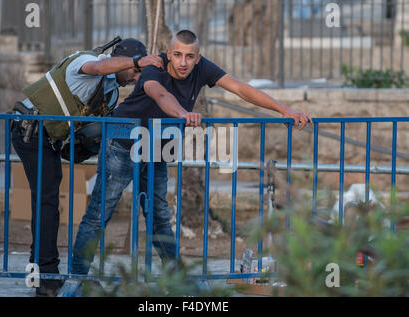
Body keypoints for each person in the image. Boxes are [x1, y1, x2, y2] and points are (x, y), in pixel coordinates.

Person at [68, 30, 312, 281]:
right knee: (100, 212)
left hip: (156, 148)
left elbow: (240, 88)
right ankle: (76, 278)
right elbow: (158, 93)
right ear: (169, 53)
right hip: (123, 142)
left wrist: (284, 109)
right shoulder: (156, 65)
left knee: (159, 216)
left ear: (198, 57)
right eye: (177, 55)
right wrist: (183, 114)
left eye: (189, 56)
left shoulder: (202, 68)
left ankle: (176, 279)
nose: (183, 62)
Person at [11, 38, 163, 296]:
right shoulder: (83, 62)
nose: (136, 77)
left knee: (46, 202)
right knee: (46, 202)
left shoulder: (112, 91)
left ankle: (42, 273)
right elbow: (97, 67)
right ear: (121, 61)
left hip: (49, 138)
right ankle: (46, 278)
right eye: (135, 71)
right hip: (30, 130)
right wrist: (138, 62)